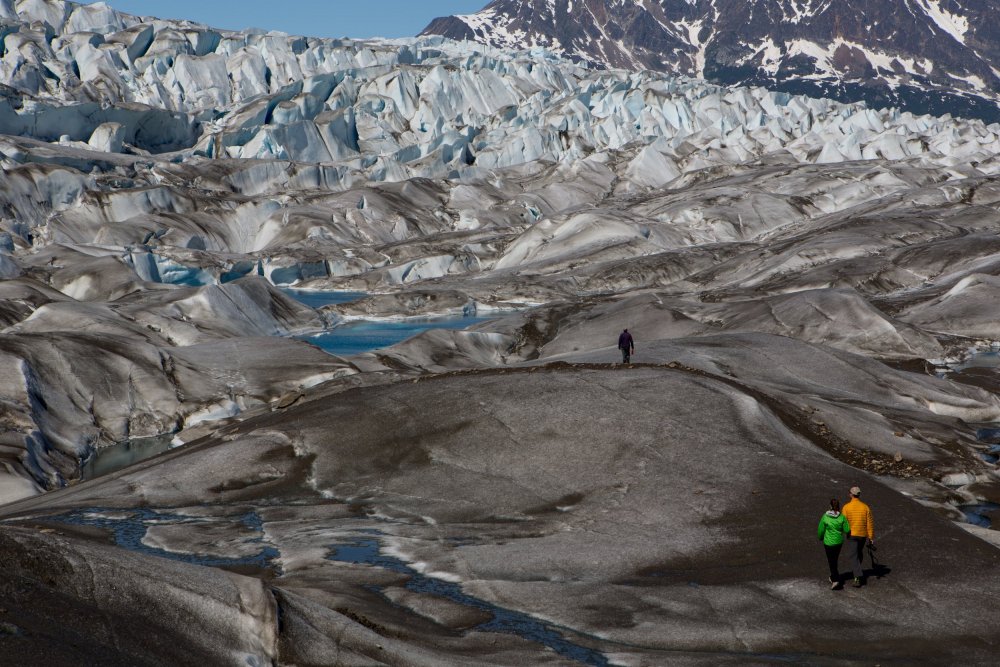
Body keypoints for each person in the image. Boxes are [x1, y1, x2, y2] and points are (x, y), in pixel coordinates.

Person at [843, 486, 874, 587]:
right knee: (858, 553)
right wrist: (871, 537)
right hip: (862, 535)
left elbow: (843, 522)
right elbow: (870, 523)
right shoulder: (865, 507)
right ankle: (858, 570)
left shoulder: (846, 507)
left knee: (853, 556)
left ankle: (857, 577)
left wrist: (842, 532)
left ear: (851, 494)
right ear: (859, 495)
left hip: (852, 534)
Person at [817, 498, 851, 589]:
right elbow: (847, 530)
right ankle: (832, 577)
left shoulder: (825, 517)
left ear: (830, 506)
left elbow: (820, 530)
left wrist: (820, 538)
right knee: (834, 560)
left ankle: (835, 580)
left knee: (831, 561)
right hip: (838, 542)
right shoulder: (842, 517)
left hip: (828, 543)